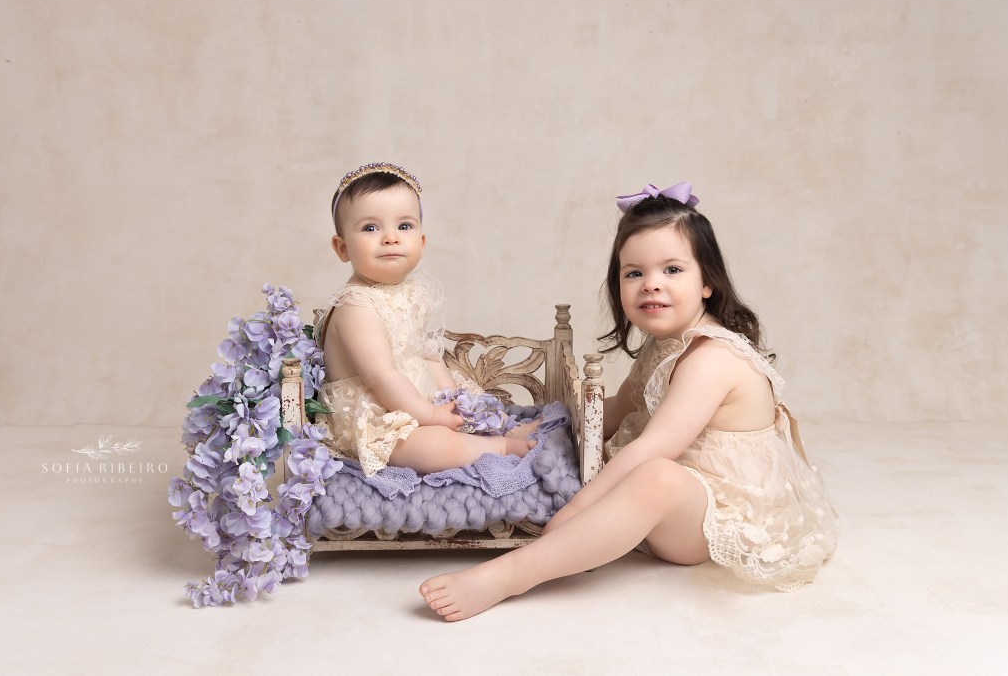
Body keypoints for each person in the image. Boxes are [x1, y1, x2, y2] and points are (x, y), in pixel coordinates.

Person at [419, 182, 839, 621]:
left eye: (672, 270)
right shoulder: (665, 346)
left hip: (723, 515)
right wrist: (529, 434)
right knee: (627, 460)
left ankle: (510, 575)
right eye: (634, 273)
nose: (650, 285)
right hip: (686, 498)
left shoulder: (712, 358)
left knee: (656, 474)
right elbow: (614, 414)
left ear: (708, 282)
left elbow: (652, 447)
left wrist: (579, 508)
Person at [313, 162, 537, 477]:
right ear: (342, 247)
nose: (390, 237)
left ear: (422, 243)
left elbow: (429, 357)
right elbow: (382, 378)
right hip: (376, 421)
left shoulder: (413, 292)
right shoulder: (356, 307)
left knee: (472, 401)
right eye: (370, 228)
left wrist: (454, 399)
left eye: (404, 226)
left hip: (416, 400)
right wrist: (430, 415)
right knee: (433, 445)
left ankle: (501, 433)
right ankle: (498, 449)